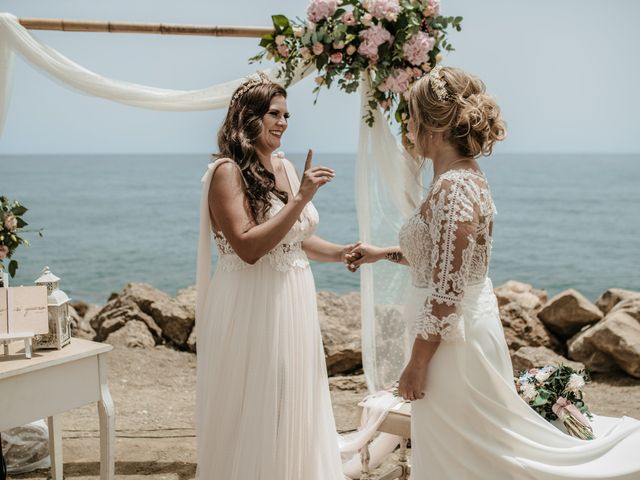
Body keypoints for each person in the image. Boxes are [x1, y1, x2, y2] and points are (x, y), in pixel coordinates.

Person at [347, 66, 640, 479]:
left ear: (433, 123)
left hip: (452, 345)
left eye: (411, 115)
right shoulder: (457, 180)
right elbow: (440, 258)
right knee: (465, 446)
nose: (408, 125)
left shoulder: (454, 187)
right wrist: (383, 253)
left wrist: (416, 363)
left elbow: (447, 291)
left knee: (470, 450)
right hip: (453, 336)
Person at [195, 74, 355, 479]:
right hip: (251, 302)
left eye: (287, 115)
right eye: (274, 113)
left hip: (293, 297)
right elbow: (248, 246)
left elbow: (294, 239)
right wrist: (302, 198)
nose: (283, 122)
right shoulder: (226, 173)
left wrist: (342, 253)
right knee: (255, 402)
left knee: (293, 399)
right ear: (248, 118)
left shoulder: (284, 166)